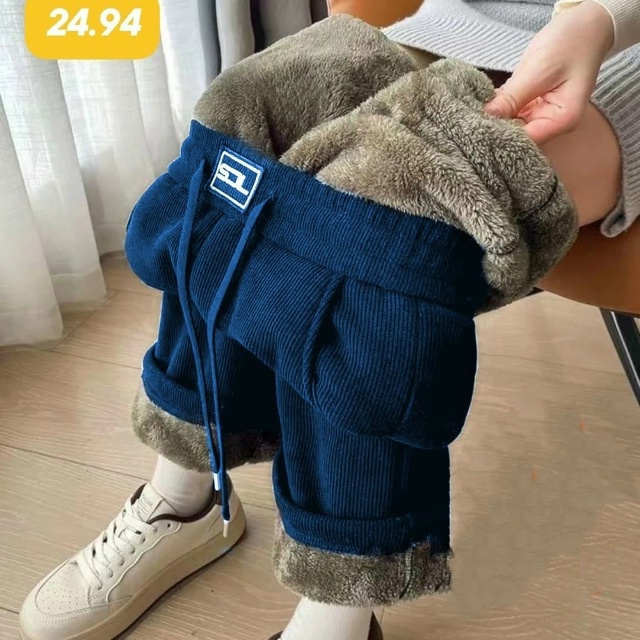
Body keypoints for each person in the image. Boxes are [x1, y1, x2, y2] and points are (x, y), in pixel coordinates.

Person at [19, 2, 640, 640]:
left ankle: (339, 612)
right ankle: (183, 501)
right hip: (471, 18)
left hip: (619, 57)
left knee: (378, 227)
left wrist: (602, 17)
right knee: (243, 122)